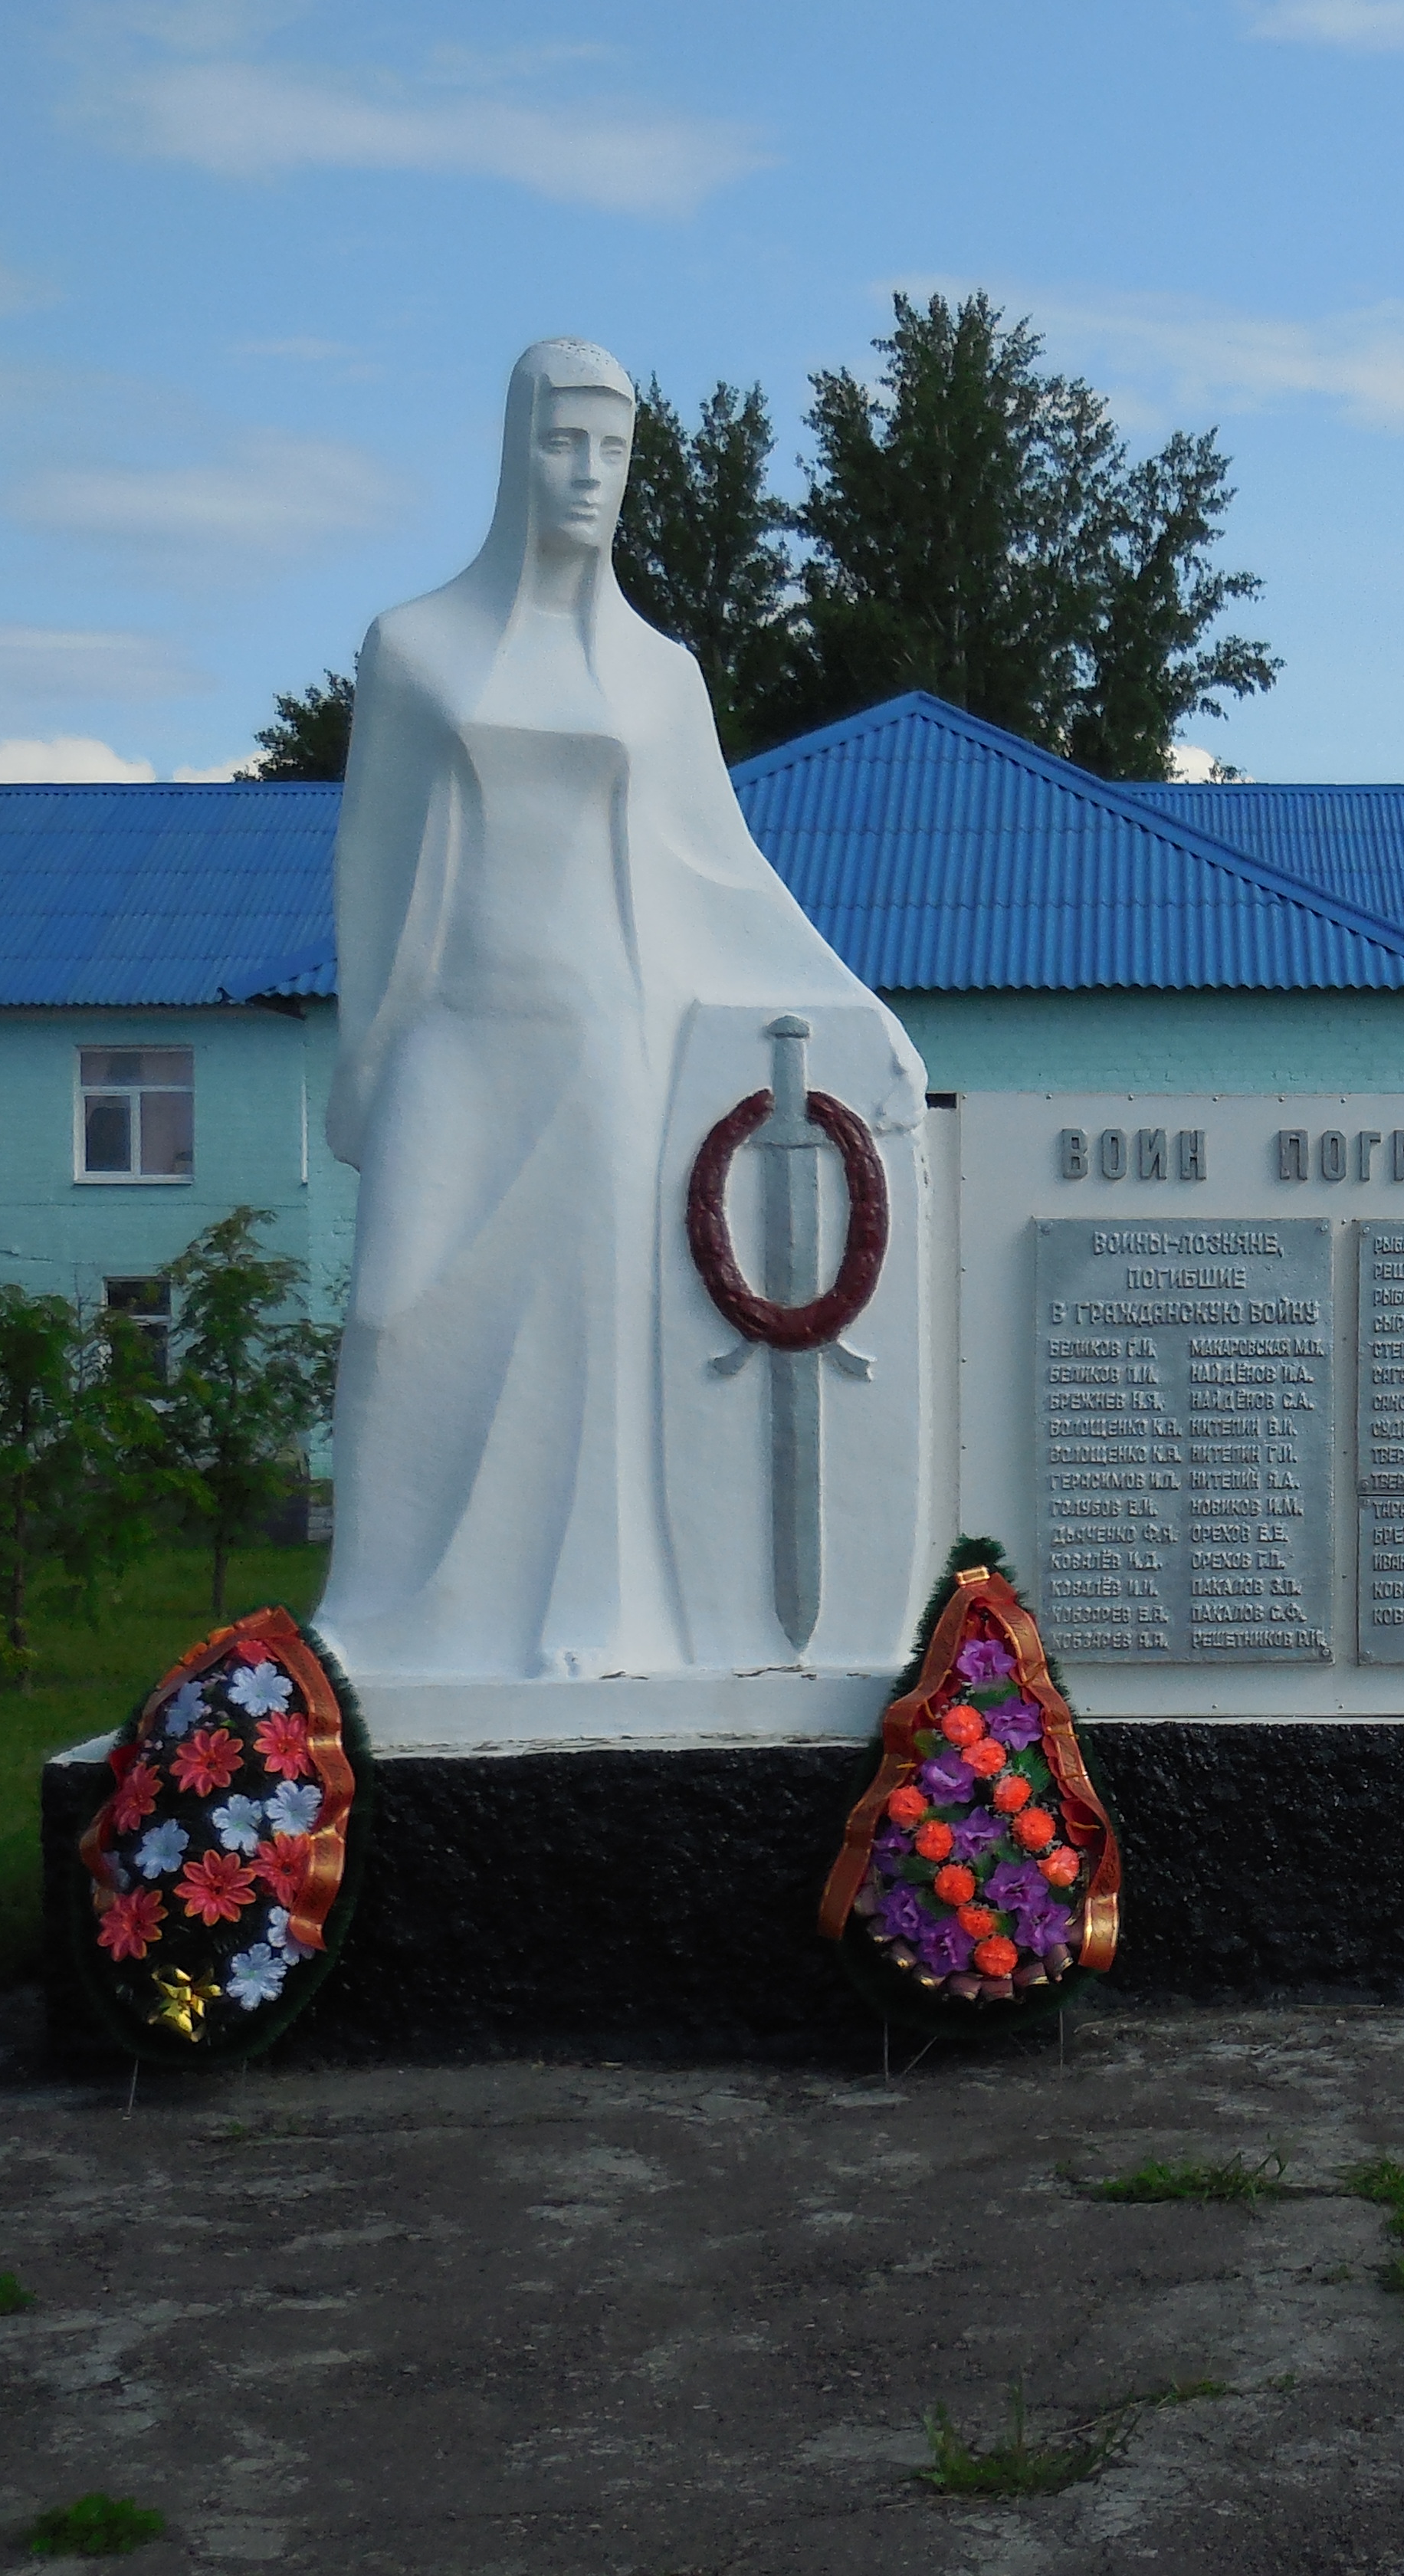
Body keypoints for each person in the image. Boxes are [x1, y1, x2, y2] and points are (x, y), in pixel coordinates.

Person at [317, 338, 924, 1686]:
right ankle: (374, 1617)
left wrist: (856, 1018)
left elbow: (722, 870)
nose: (586, 473)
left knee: (584, 1339)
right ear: (513, 446)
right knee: (393, 1311)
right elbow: (371, 866)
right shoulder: (414, 649)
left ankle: (586, 1615)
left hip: (601, 1042)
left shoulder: (658, 677)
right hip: (455, 1034)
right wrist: (365, 1066)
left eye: (612, 449)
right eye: (561, 441)